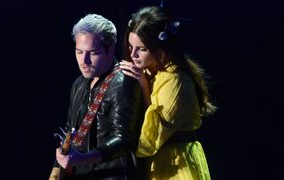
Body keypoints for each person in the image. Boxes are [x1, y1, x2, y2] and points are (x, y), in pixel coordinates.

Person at [119, 6, 216, 180]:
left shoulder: (174, 79)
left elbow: (154, 134)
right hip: (159, 163)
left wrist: (144, 87)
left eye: (141, 49)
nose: (133, 54)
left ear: (161, 48)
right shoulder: (149, 71)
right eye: (130, 45)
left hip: (176, 164)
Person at [49, 13, 143, 180]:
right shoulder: (79, 83)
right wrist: (57, 169)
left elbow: (124, 139)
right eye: (79, 52)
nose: (84, 60)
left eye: (92, 53)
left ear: (111, 49)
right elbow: (70, 129)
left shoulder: (122, 81)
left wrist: (82, 158)